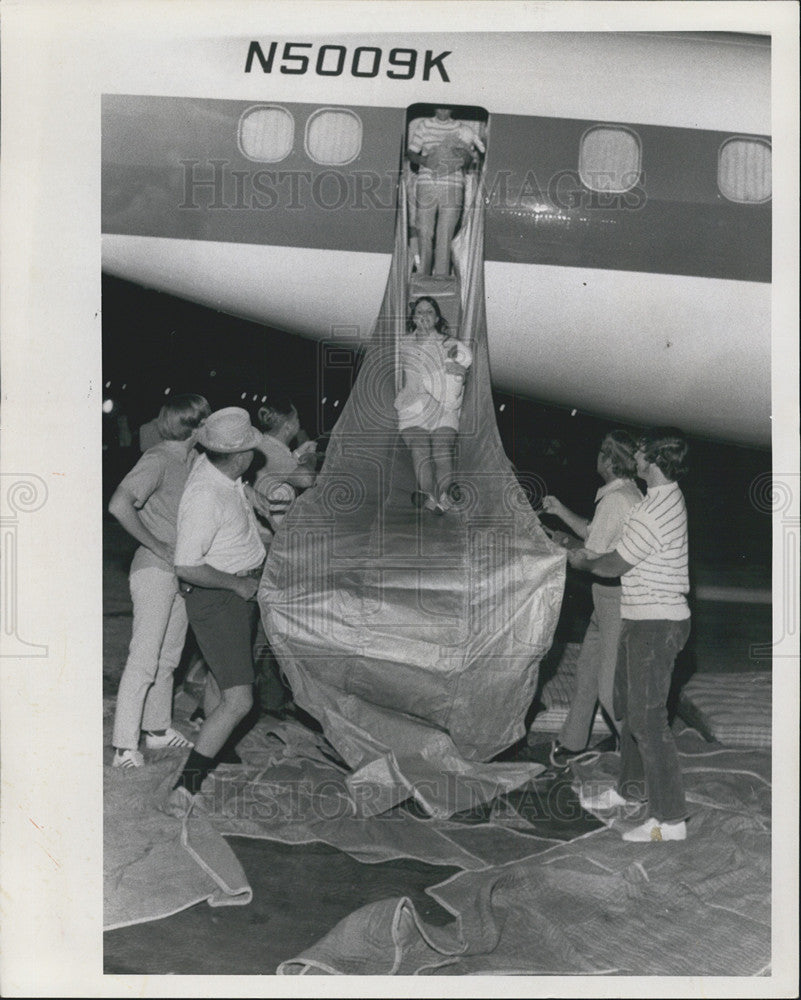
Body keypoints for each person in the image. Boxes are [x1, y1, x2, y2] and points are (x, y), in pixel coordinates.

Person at [568, 428, 691, 842]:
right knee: (626, 702)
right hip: (640, 619)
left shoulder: (653, 512)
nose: (634, 459)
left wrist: (581, 561)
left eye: (640, 454)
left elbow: (612, 568)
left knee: (647, 719)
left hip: (656, 625)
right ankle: (631, 791)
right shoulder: (663, 495)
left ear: (651, 460)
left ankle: (670, 820)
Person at [165, 407, 267, 815]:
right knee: (240, 700)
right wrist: (239, 584)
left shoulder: (223, 473)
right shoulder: (206, 495)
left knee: (221, 678)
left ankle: (215, 747)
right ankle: (184, 789)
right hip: (219, 594)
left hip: (235, 587)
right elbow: (186, 564)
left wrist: (255, 503)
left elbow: (237, 499)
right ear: (240, 456)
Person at [109, 393, 211, 768]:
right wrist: (157, 544)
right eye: (207, 421)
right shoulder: (158, 459)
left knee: (168, 658)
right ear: (195, 426)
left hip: (181, 572)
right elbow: (119, 504)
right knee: (144, 658)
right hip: (153, 569)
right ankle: (123, 747)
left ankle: (156, 730)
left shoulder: (194, 461)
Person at [541, 430, 642, 765]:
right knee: (587, 671)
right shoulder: (622, 493)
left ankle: (639, 757)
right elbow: (592, 532)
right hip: (607, 600)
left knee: (609, 690)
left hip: (616, 600)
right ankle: (573, 742)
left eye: (602, 451)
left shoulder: (617, 499)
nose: (597, 457)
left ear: (611, 460)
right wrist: (559, 513)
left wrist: (560, 548)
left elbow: (593, 560)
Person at [395, 296, 472, 514]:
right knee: (419, 447)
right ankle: (427, 494)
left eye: (429, 312)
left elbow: (463, 364)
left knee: (441, 446)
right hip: (413, 406)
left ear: (437, 318)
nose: (424, 316)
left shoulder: (449, 344)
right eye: (419, 311)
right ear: (413, 317)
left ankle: (447, 493)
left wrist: (462, 373)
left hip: (443, 407)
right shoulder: (404, 343)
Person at [407, 107, 483, 276]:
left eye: (447, 109)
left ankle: (441, 279)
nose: (443, 111)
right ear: (434, 108)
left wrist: (464, 155)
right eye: (440, 108)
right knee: (424, 231)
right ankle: (424, 276)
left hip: (453, 186)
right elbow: (411, 153)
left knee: (445, 234)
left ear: (453, 109)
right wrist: (424, 159)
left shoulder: (460, 128)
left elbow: (470, 158)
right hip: (427, 183)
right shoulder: (424, 125)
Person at [253, 396, 318, 531]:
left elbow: (279, 471)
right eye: (297, 419)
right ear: (288, 427)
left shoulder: (267, 444)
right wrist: (310, 456)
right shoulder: (269, 449)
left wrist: (297, 454)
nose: (299, 422)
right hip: (268, 535)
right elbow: (306, 479)